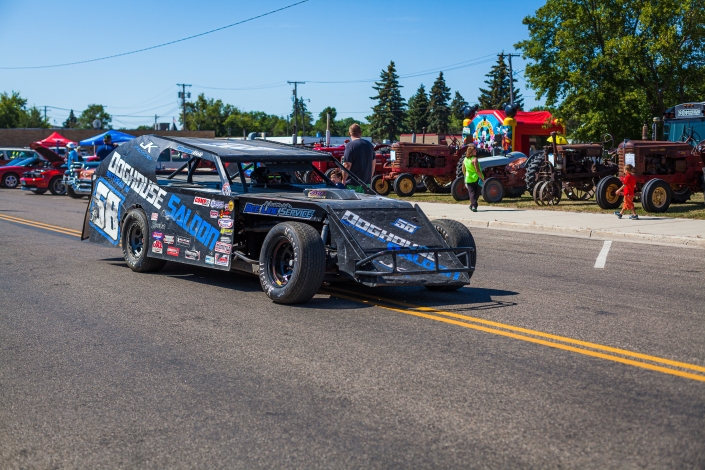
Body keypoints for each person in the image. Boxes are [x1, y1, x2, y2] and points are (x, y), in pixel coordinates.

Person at [341, 123, 374, 191]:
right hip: (366, 185)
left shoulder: (350, 146)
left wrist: (343, 180)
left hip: (352, 186)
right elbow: (373, 163)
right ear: (361, 133)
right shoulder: (369, 145)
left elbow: (347, 165)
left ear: (349, 134)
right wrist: (370, 178)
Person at [462, 144, 484, 212]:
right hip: (476, 178)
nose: (476, 151)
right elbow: (478, 170)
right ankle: (474, 205)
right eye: (474, 150)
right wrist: (482, 178)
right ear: (471, 152)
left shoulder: (465, 159)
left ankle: (472, 205)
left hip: (468, 178)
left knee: (472, 193)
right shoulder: (475, 159)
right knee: (477, 193)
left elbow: (463, 169)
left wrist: (465, 175)